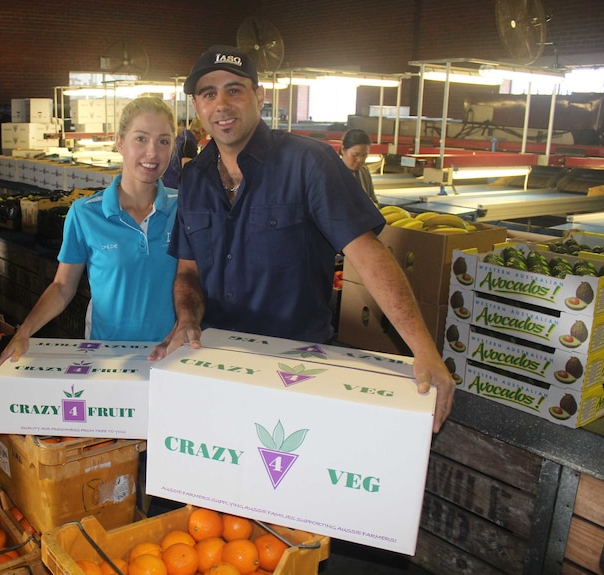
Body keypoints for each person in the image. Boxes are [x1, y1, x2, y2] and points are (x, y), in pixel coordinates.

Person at [149, 45, 454, 433]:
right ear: (196, 105)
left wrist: (423, 349)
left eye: (234, 90)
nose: (221, 104)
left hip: (296, 369)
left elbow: (367, 254)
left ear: (260, 96)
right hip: (217, 363)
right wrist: (188, 319)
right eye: (208, 94)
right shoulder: (194, 178)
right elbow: (188, 270)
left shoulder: (308, 163)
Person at [0, 96, 178, 367]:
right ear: (120, 142)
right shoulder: (85, 213)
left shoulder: (184, 209)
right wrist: (24, 332)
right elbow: (61, 287)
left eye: (164, 141)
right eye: (141, 138)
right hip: (106, 355)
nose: (152, 152)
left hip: (172, 352)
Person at [161, 116, 206, 189]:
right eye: (207, 133)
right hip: (175, 186)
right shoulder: (189, 143)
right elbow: (189, 172)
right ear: (202, 131)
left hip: (166, 183)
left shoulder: (183, 137)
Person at [340, 128, 378, 205]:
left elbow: (373, 199)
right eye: (355, 155)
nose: (360, 160)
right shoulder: (332, 173)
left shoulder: (364, 172)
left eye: (364, 155)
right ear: (343, 149)